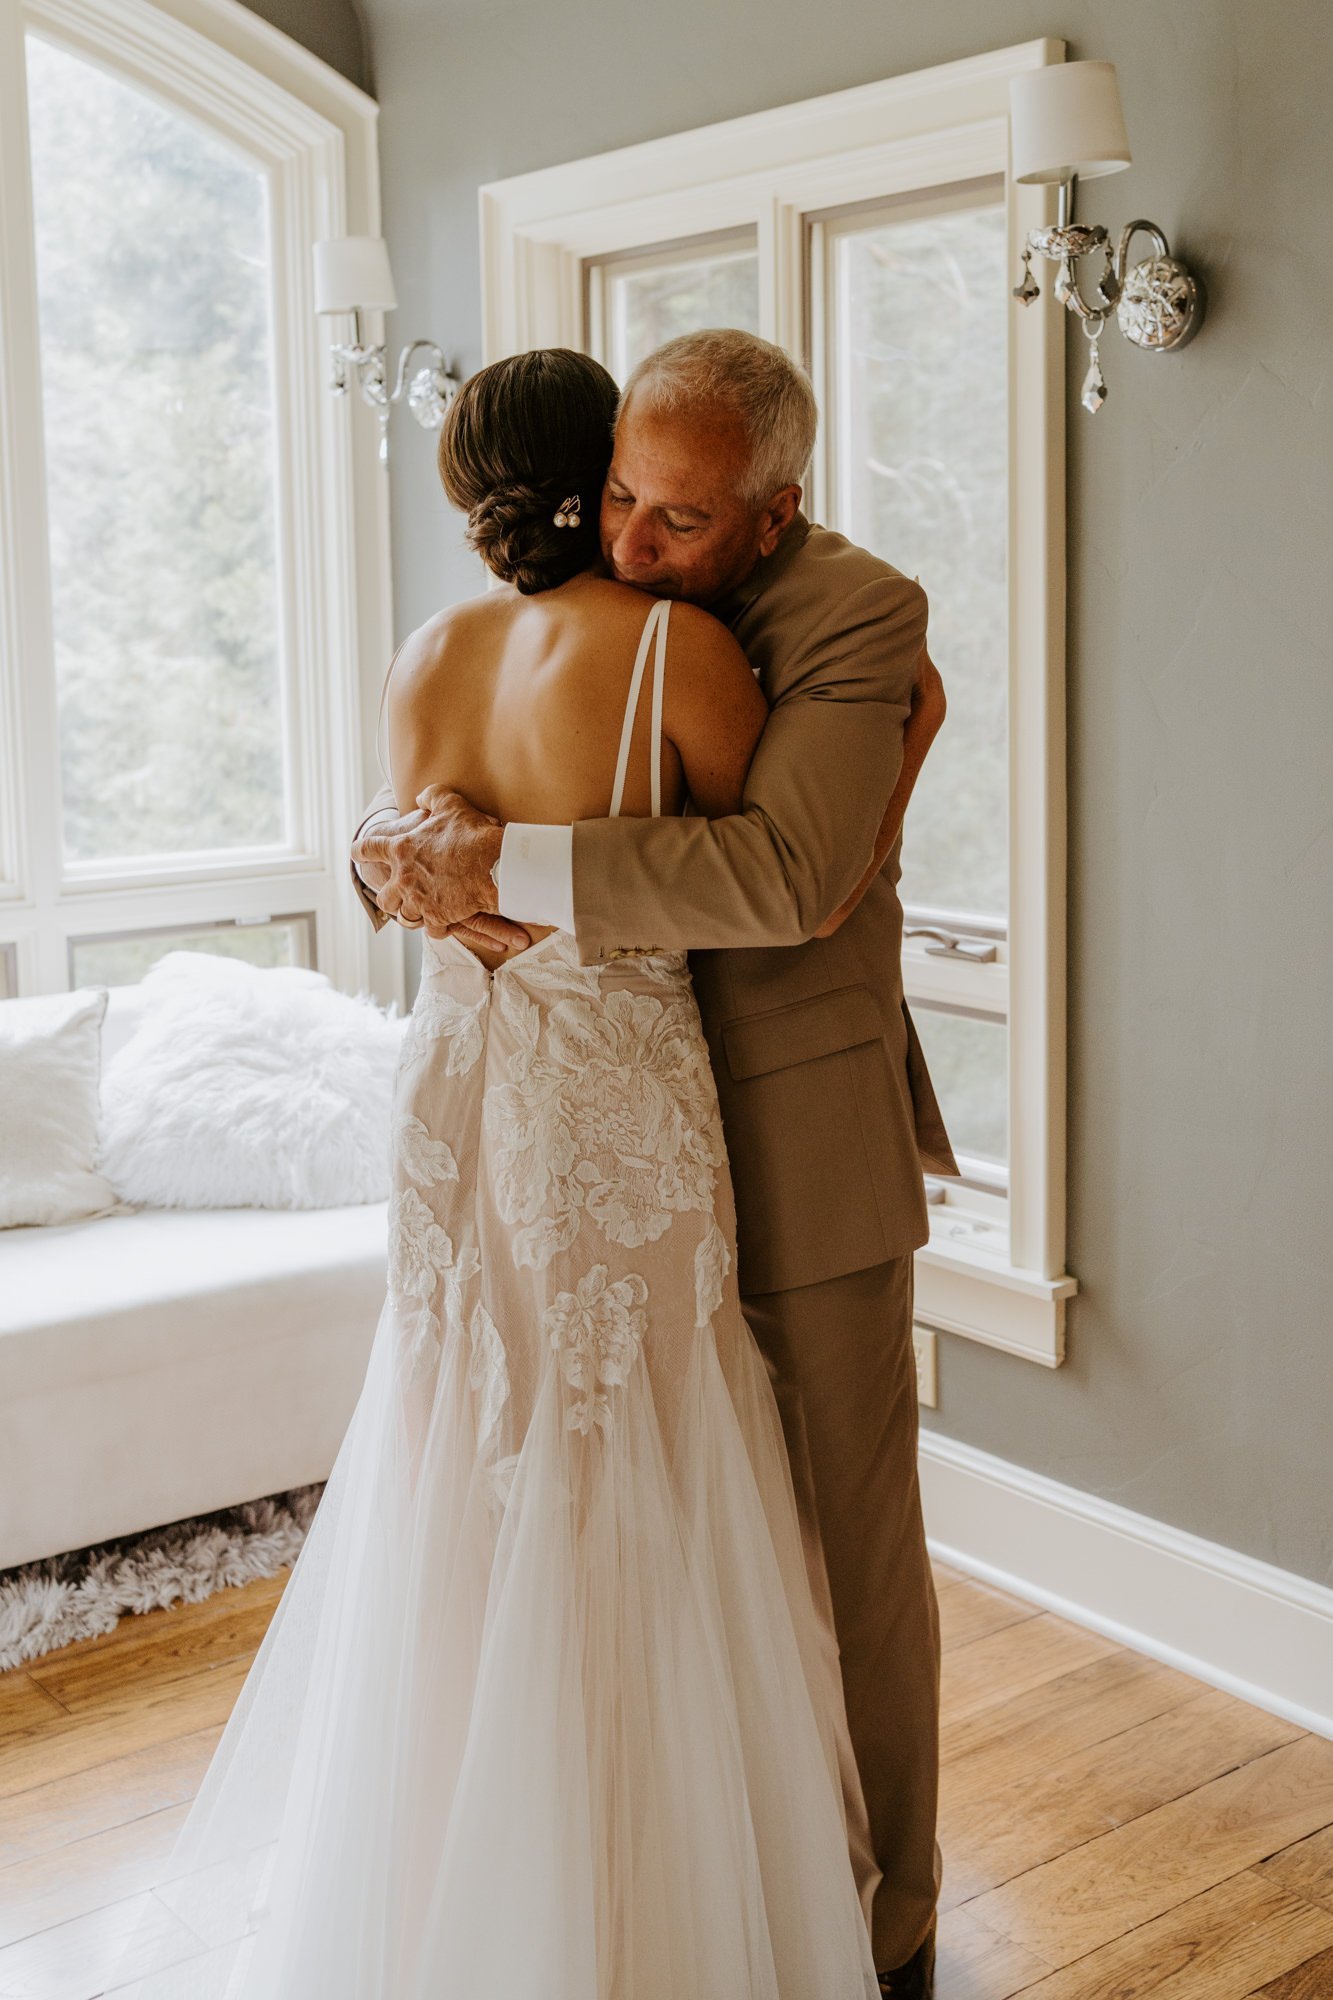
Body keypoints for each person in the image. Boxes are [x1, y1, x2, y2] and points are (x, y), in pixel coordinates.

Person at [92, 347, 893, 2000]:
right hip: (603, 1088)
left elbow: (407, 867)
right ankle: (644, 1885)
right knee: (635, 1431)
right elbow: (778, 876)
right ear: (593, 473)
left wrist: (443, 880)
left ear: (466, 501)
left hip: (455, 1080)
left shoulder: (423, 655)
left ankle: (453, 1867)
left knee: (468, 1430)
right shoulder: (677, 646)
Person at [351, 328, 959, 1999]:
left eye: (677, 521)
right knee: (586, 1502)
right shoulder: (623, 623)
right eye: (617, 493)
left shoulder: (855, 615)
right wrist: (391, 855)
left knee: (839, 1539)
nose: (630, 543)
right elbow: (422, 818)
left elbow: (783, 881)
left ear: (770, 515)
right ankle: (630, 1872)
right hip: (594, 1124)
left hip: (793, 1124)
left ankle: (885, 1914)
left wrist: (499, 854)